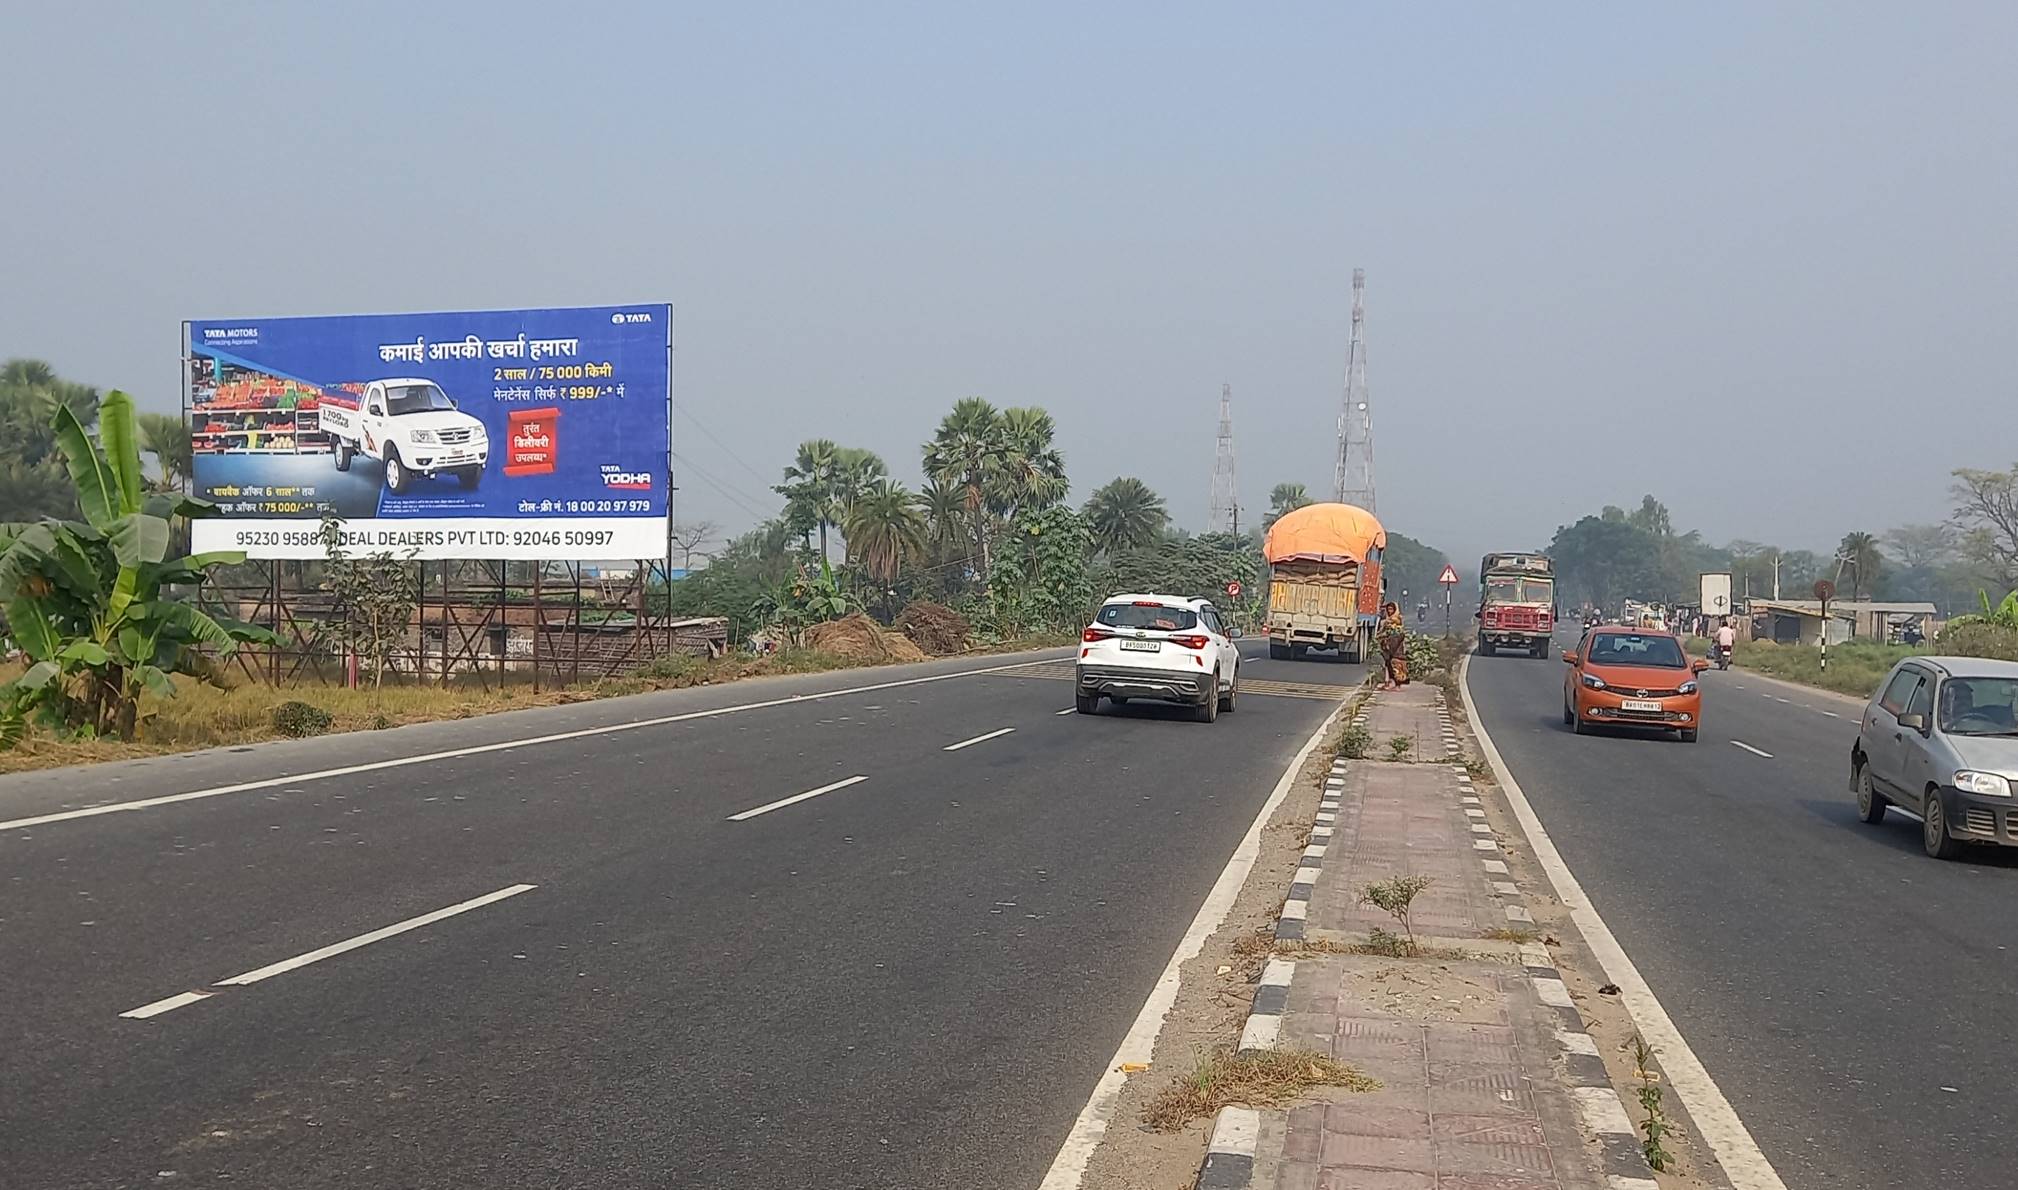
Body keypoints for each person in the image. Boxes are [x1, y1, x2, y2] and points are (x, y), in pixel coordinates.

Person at [1377, 601, 1409, 689]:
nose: (1390, 611)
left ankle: (1398, 684)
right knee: (1388, 664)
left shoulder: (1398, 619)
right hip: (1387, 645)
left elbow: (1400, 633)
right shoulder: (1386, 621)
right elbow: (1381, 631)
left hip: (1397, 646)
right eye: (1388, 609)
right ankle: (1388, 682)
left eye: (1391, 609)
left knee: (1397, 664)